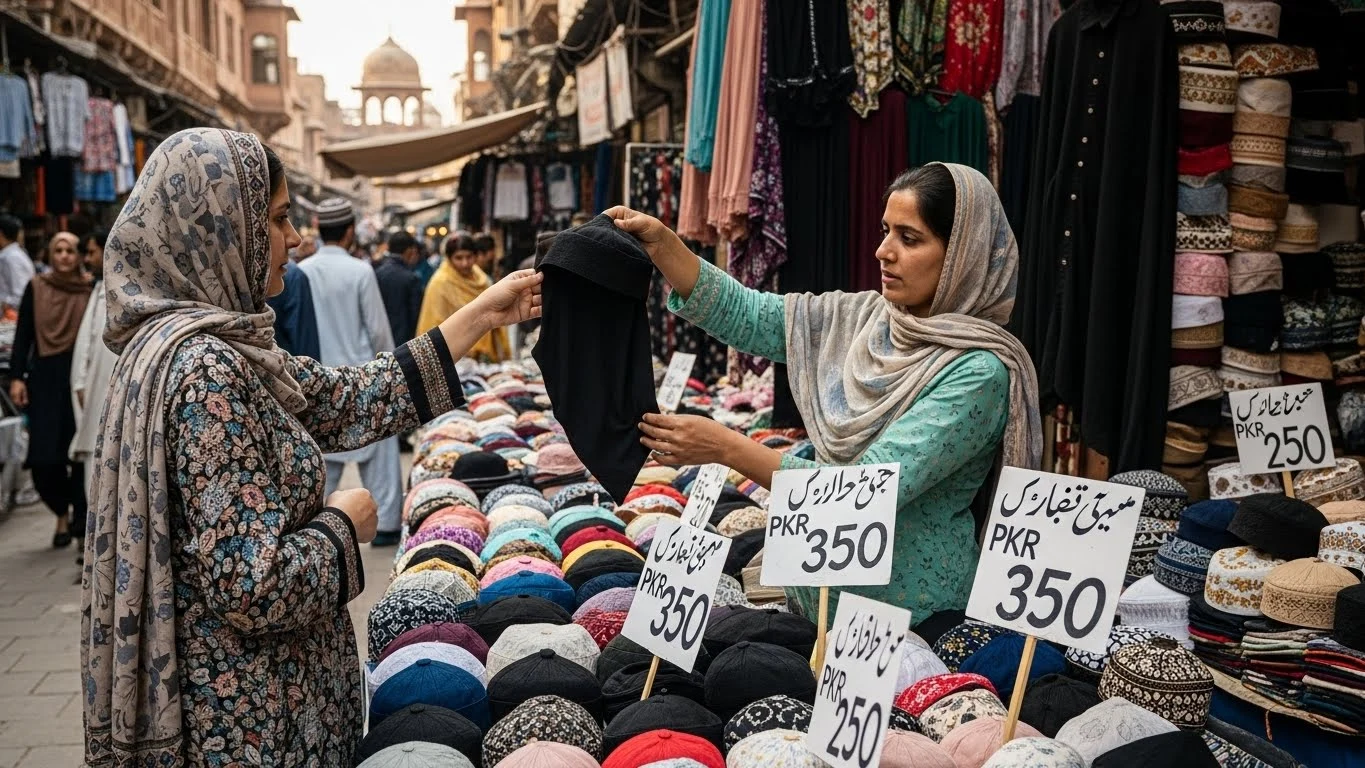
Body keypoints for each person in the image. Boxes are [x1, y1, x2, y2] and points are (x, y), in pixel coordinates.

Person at [79, 128, 542, 767]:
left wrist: (484, 315)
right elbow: (253, 584)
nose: (294, 238)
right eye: (276, 219)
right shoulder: (206, 369)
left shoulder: (221, 350)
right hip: (250, 724)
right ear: (218, 230)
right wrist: (340, 526)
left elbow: (347, 396)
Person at [609, 163, 1042, 625]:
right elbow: (753, 315)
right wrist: (664, 245)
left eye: (909, 239)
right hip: (817, 601)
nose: (883, 251)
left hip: (906, 623)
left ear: (963, 254)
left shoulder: (978, 374)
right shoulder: (870, 319)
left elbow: (866, 489)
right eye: (884, 231)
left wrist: (723, 446)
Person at [297, 198, 405, 545]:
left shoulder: (302, 271)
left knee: (320, 466)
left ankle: (314, 533)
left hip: (313, 381)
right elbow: (378, 331)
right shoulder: (360, 270)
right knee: (382, 457)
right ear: (348, 233)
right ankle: (386, 525)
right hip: (359, 379)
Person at [10, 231, 92, 550]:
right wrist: (17, 377)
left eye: (70, 250)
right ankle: (60, 510)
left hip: (77, 378)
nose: (64, 256)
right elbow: (24, 333)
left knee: (78, 453)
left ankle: (73, 521)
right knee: (44, 457)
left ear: (79, 255)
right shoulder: (37, 288)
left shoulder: (90, 290)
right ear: (50, 254)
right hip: (44, 376)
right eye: (57, 250)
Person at [70, 230, 119, 538]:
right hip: (99, 397)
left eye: (91, 252)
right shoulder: (100, 292)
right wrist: (79, 382)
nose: (87, 259)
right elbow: (85, 346)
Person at [417, 231, 510, 361]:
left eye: (469, 257)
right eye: (459, 258)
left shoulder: (481, 279)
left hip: (484, 357)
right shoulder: (440, 283)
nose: (465, 263)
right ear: (449, 259)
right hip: (453, 357)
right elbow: (433, 325)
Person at [266, 249, 322, 360]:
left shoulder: (291, 275)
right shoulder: (291, 275)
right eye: (281, 230)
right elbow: (306, 351)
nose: (295, 239)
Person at [374, 231, 425, 345]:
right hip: (404, 342)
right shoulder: (411, 278)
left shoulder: (376, 273)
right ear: (409, 251)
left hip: (380, 339)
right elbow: (416, 316)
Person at [0, 213, 35, 316]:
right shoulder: (11, 255)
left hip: (13, 317)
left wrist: (3, 303)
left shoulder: (12, 258)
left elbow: (20, 296)